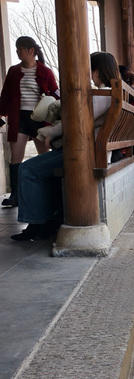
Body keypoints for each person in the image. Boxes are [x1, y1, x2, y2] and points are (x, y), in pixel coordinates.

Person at [11, 51, 119, 242]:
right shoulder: (112, 94)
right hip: (94, 150)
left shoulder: (102, 95)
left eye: (90, 70)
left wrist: (52, 132)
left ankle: (37, 224)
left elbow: (77, 120)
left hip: (84, 153)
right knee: (43, 170)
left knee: (28, 169)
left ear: (96, 71)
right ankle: (47, 220)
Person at [0, 35, 59, 207]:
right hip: (19, 118)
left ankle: (49, 193)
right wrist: (1, 114)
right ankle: (16, 195)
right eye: (16, 49)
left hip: (40, 119)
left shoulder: (45, 71)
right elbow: (5, 95)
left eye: (20, 49)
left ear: (31, 50)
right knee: (15, 158)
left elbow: (55, 93)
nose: (18, 52)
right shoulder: (13, 71)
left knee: (44, 157)